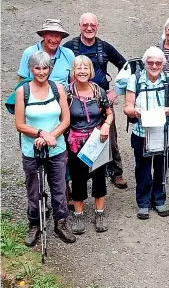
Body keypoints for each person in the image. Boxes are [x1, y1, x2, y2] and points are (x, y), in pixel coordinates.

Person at [15, 51, 75, 246]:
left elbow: (65, 120)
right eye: (37, 68)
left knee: (58, 187)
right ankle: (34, 223)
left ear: (50, 69)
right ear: (31, 69)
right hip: (31, 149)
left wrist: (51, 136)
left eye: (45, 68)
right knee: (33, 188)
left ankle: (61, 222)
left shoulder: (58, 89)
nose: (41, 72)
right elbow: (20, 124)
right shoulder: (22, 91)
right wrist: (41, 133)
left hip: (56, 148)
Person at [64, 13, 128, 189]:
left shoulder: (104, 47)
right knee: (72, 138)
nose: (89, 28)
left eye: (92, 25)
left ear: (97, 26)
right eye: (85, 25)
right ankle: (73, 178)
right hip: (76, 101)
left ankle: (115, 172)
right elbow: (61, 70)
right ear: (80, 26)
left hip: (101, 99)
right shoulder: (69, 47)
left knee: (110, 136)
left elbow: (126, 66)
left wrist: (116, 90)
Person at [124, 47, 169, 219]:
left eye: (158, 63)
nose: (154, 66)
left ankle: (159, 199)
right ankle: (143, 202)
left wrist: (168, 109)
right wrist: (135, 112)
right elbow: (127, 107)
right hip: (141, 131)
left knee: (161, 166)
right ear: (145, 63)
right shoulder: (135, 79)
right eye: (150, 62)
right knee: (142, 167)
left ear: (163, 64)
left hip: (163, 131)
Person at [66, 56, 113, 234]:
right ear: (74, 71)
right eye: (79, 68)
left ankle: (99, 213)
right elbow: (62, 117)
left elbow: (109, 113)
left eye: (86, 67)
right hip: (76, 144)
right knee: (78, 179)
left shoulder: (98, 91)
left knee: (99, 177)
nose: (83, 71)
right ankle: (78, 215)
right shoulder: (67, 93)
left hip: (97, 141)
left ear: (91, 71)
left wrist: (106, 125)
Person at [17, 19, 74, 85]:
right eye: (50, 35)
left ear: (61, 38)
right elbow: (22, 81)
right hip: (34, 93)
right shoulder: (29, 53)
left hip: (62, 93)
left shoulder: (68, 54)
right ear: (43, 35)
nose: (53, 40)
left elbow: (73, 81)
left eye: (57, 36)